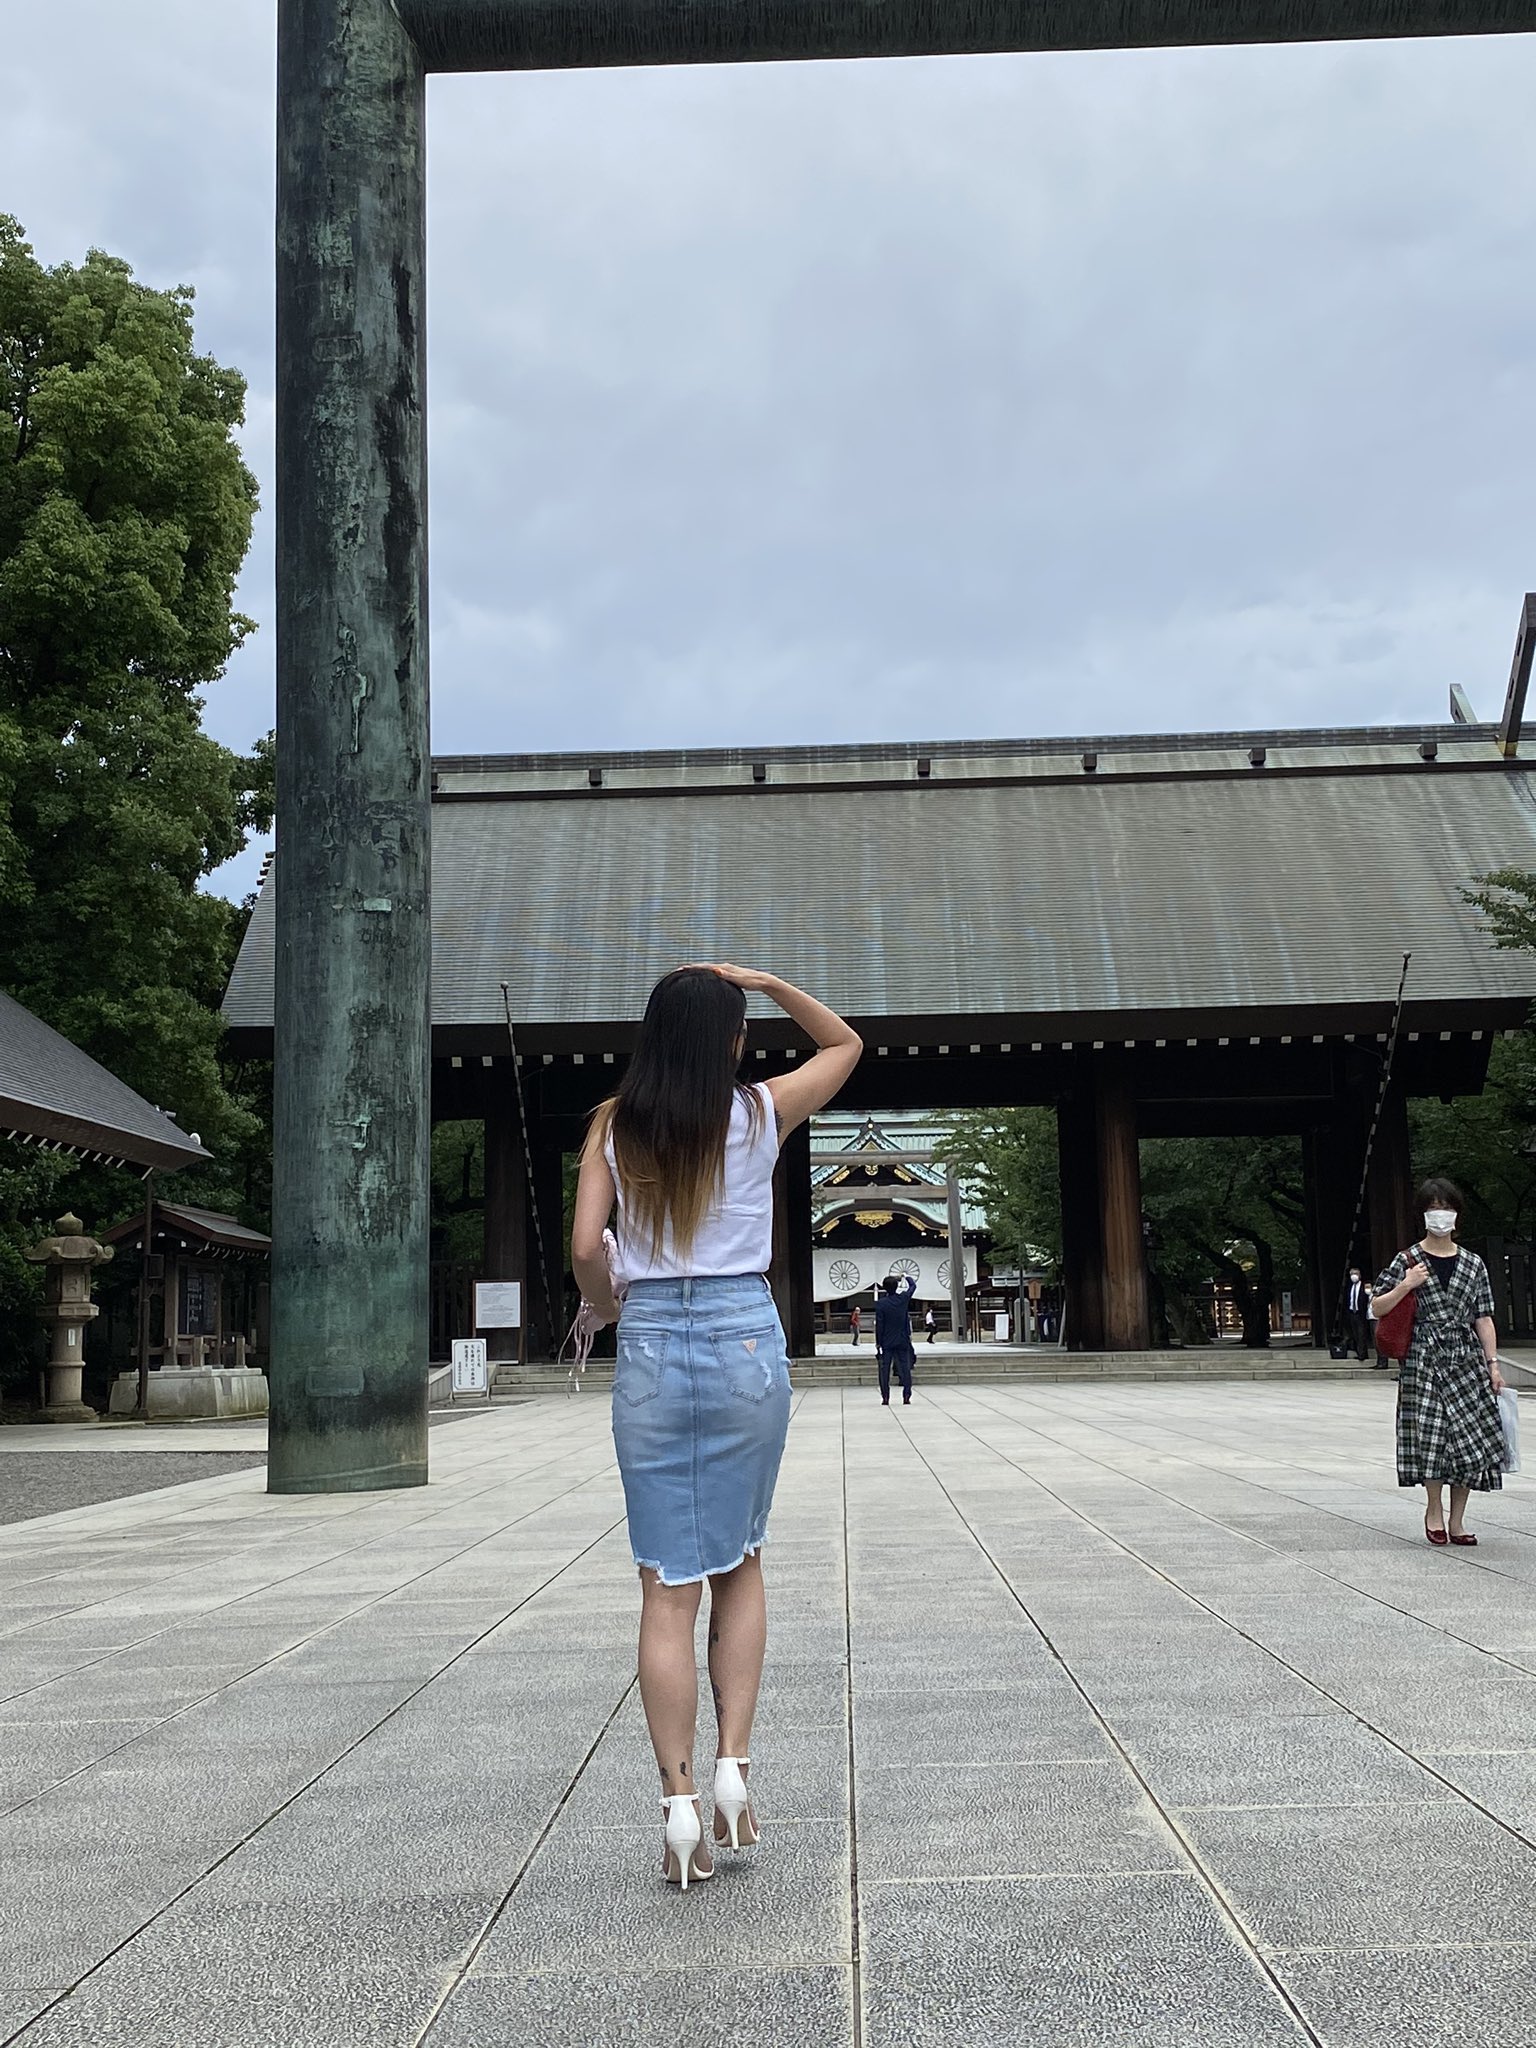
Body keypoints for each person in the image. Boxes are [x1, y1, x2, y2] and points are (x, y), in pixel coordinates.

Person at [571, 963, 861, 1890]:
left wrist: (606, 1304)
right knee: (740, 1558)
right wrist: (768, 983)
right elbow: (846, 1044)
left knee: (666, 1585)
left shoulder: (614, 1123)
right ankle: (736, 1765)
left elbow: (584, 1248)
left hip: (653, 1337)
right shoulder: (760, 1112)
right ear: (731, 1040)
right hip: (743, 1335)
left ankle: (679, 1806)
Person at [1370, 1176, 1506, 1547]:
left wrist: (1493, 1364)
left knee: (1469, 1437)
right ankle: (1433, 1509)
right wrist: (1406, 1284)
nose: (1440, 1215)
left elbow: (1483, 1317)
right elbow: (1377, 1306)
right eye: (1432, 1209)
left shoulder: (1473, 1264)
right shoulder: (1407, 1260)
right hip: (1422, 1356)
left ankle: (1458, 1519)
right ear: (1423, 1215)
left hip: (1465, 1358)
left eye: (1446, 1208)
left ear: (1457, 1215)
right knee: (1431, 1434)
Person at [875, 1272, 918, 1405]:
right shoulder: (903, 1299)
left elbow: (879, 1325)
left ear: (884, 1287)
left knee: (885, 1370)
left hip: (887, 1340)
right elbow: (913, 1286)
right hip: (902, 1339)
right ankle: (906, 1395)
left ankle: (885, 1397)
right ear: (896, 1286)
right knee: (905, 1368)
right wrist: (905, 1276)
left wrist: (878, 1342)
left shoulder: (881, 1304)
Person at [1344, 1265, 1372, 1362]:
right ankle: (1360, 1352)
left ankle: (1362, 1354)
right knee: (1355, 1334)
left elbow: (1368, 1297)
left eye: (1355, 1274)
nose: (1353, 1276)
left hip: (1361, 1312)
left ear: (1359, 1275)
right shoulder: (1349, 1287)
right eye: (1352, 1274)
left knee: (1361, 1333)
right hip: (1352, 1312)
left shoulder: (1365, 1285)